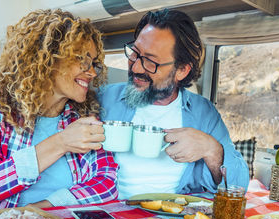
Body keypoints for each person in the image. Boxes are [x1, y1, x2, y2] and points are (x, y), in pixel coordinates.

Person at [0, 9, 118, 211]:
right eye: (82, 59)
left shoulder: (82, 116)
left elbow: (106, 183)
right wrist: (61, 142)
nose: (91, 72)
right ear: (47, 58)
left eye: (93, 63)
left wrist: (42, 208)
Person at [98, 9, 249, 199]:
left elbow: (238, 187)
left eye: (150, 62)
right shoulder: (102, 99)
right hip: (108, 212)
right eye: (134, 53)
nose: (135, 67)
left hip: (171, 217)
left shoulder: (204, 113)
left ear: (182, 70)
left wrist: (211, 149)